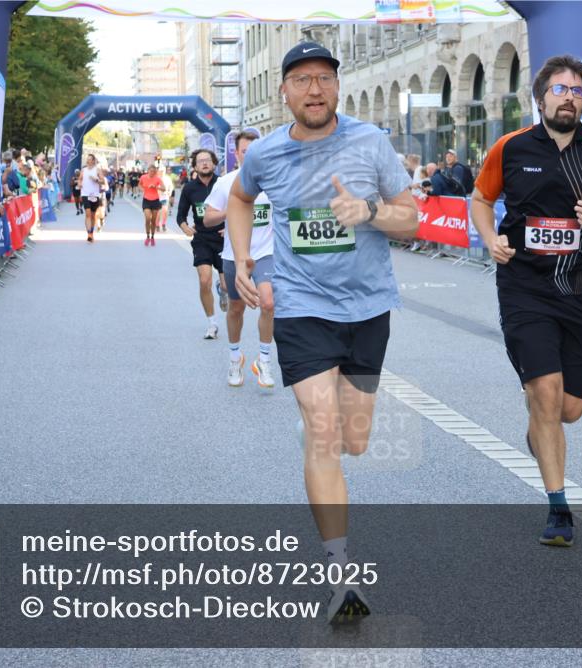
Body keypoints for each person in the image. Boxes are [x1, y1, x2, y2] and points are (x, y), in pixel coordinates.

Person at [225, 42, 418, 622]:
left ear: (338, 87)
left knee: (354, 439)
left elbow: (410, 220)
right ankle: (340, 574)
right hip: (302, 307)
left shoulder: (370, 143)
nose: (314, 89)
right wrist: (242, 260)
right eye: (302, 79)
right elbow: (239, 197)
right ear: (283, 92)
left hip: (366, 309)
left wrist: (371, 213)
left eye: (324, 78)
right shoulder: (265, 154)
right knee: (322, 428)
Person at [470, 54, 582, 547]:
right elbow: (480, 199)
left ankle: (541, 430)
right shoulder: (511, 147)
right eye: (560, 90)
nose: (569, 98)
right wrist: (489, 238)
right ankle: (558, 509)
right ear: (540, 97)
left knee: (568, 410)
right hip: (524, 287)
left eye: (578, 91)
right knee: (545, 393)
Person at [202, 130, 276, 388]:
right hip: (234, 256)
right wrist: (231, 212)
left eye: (257, 151)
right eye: (246, 151)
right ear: (237, 154)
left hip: (266, 253)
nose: (252, 156)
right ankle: (236, 358)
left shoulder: (274, 180)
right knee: (236, 308)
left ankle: (264, 361)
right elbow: (207, 218)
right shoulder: (226, 183)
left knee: (268, 303)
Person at [177, 148, 225, 339]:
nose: (204, 163)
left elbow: (238, 207)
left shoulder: (223, 184)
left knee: (228, 286)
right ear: (195, 166)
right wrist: (185, 227)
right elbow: (180, 214)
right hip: (202, 239)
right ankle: (212, 323)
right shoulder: (189, 188)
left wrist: (230, 227)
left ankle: (223, 289)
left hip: (223, 239)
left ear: (214, 164)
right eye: (200, 161)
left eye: (208, 160)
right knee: (204, 280)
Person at [80, 154, 104, 242]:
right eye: (87, 159)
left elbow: (103, 181)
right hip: (85, 194)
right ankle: (89, 234)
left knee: (93, 215)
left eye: (90, 159)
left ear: (93, 161)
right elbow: (80, 179)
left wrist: (96, 179)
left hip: (95, 195)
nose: (88, 161)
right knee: (88, 213)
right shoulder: (83, 170)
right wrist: (79, 183)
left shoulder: (97, 170)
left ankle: (91, 232)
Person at [139, 163, 164, 246]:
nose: (152, 173)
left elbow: (164, 188)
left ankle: (152, 237)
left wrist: (156, 187)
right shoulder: (143, 177)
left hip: (155, 200)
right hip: (146, 200)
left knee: (153, 220)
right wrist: (142, 189)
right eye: (151, 171)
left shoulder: (157, 179)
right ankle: (147, 236)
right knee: (147, 218)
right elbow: (139, 184)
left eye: (154, 171)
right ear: (148, 171)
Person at [159, 163, 174, 232]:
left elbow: (171, 186)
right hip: (157, 198)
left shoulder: (167, 178)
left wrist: (170, 192)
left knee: (165, 211)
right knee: (158, 212)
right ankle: (157, 224)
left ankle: (163, 224)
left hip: (165, 197)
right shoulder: (156, 178)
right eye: (160, 171)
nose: (162, 172)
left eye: (163, 171)